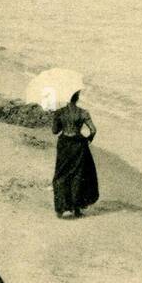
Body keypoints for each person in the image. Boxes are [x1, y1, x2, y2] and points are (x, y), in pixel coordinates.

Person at [51, 90, 99, 218]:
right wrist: (89, 139)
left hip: (64, 145)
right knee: (78, 175)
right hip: (79, 145)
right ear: (77, 98)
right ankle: (77, 209)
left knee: (61, 174)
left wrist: (57, 119)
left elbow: (55, 131)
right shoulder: (83, 112)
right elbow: (93, 130)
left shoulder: (60, 112)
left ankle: (60, 209)